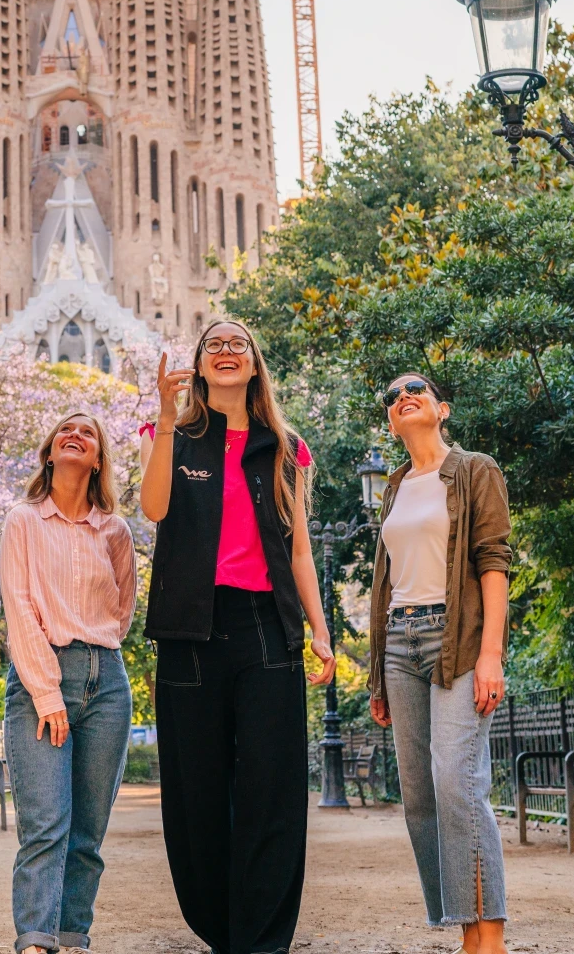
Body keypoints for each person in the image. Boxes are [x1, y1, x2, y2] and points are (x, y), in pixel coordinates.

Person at [138, 319, 336, 954]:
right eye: (213, 346)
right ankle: (220, 927)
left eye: (237, 345)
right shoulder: (171, 434)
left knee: (271, 786)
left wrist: (321, 632)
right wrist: (167, 419)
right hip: (188, 629)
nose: (225, 353)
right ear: (199, 365)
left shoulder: (285, 446)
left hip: (265, 626)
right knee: (197, 786)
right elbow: (154, 509)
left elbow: (300, 549)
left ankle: (263, 937)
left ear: (254, 365)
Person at [365, 372, 513, 954]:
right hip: (399, 643)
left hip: (456, 638)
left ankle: (490, 936)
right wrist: (377, 672)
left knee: (458, 782)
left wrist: (491, 655)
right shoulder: (394, 487)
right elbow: (386, 582)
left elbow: (493, 563)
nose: (403, 398)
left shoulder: (475, 470)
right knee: (420, 792)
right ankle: (462, 927)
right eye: (394, 397)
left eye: (415, 391)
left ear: (441, 409)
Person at [0, 412, 137, 954]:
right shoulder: (22, 522)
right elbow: (19, 607)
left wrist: (93, 647)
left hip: (107, 682)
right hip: (41, 679)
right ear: (49, 453)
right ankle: (35, 941)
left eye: (87, 433)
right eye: (64, 431)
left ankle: (74, 938)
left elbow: (122, 609)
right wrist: (47, 690)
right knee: (45, 826)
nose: (75, 435)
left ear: (98, 458)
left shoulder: (115, 531)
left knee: (87, 836)